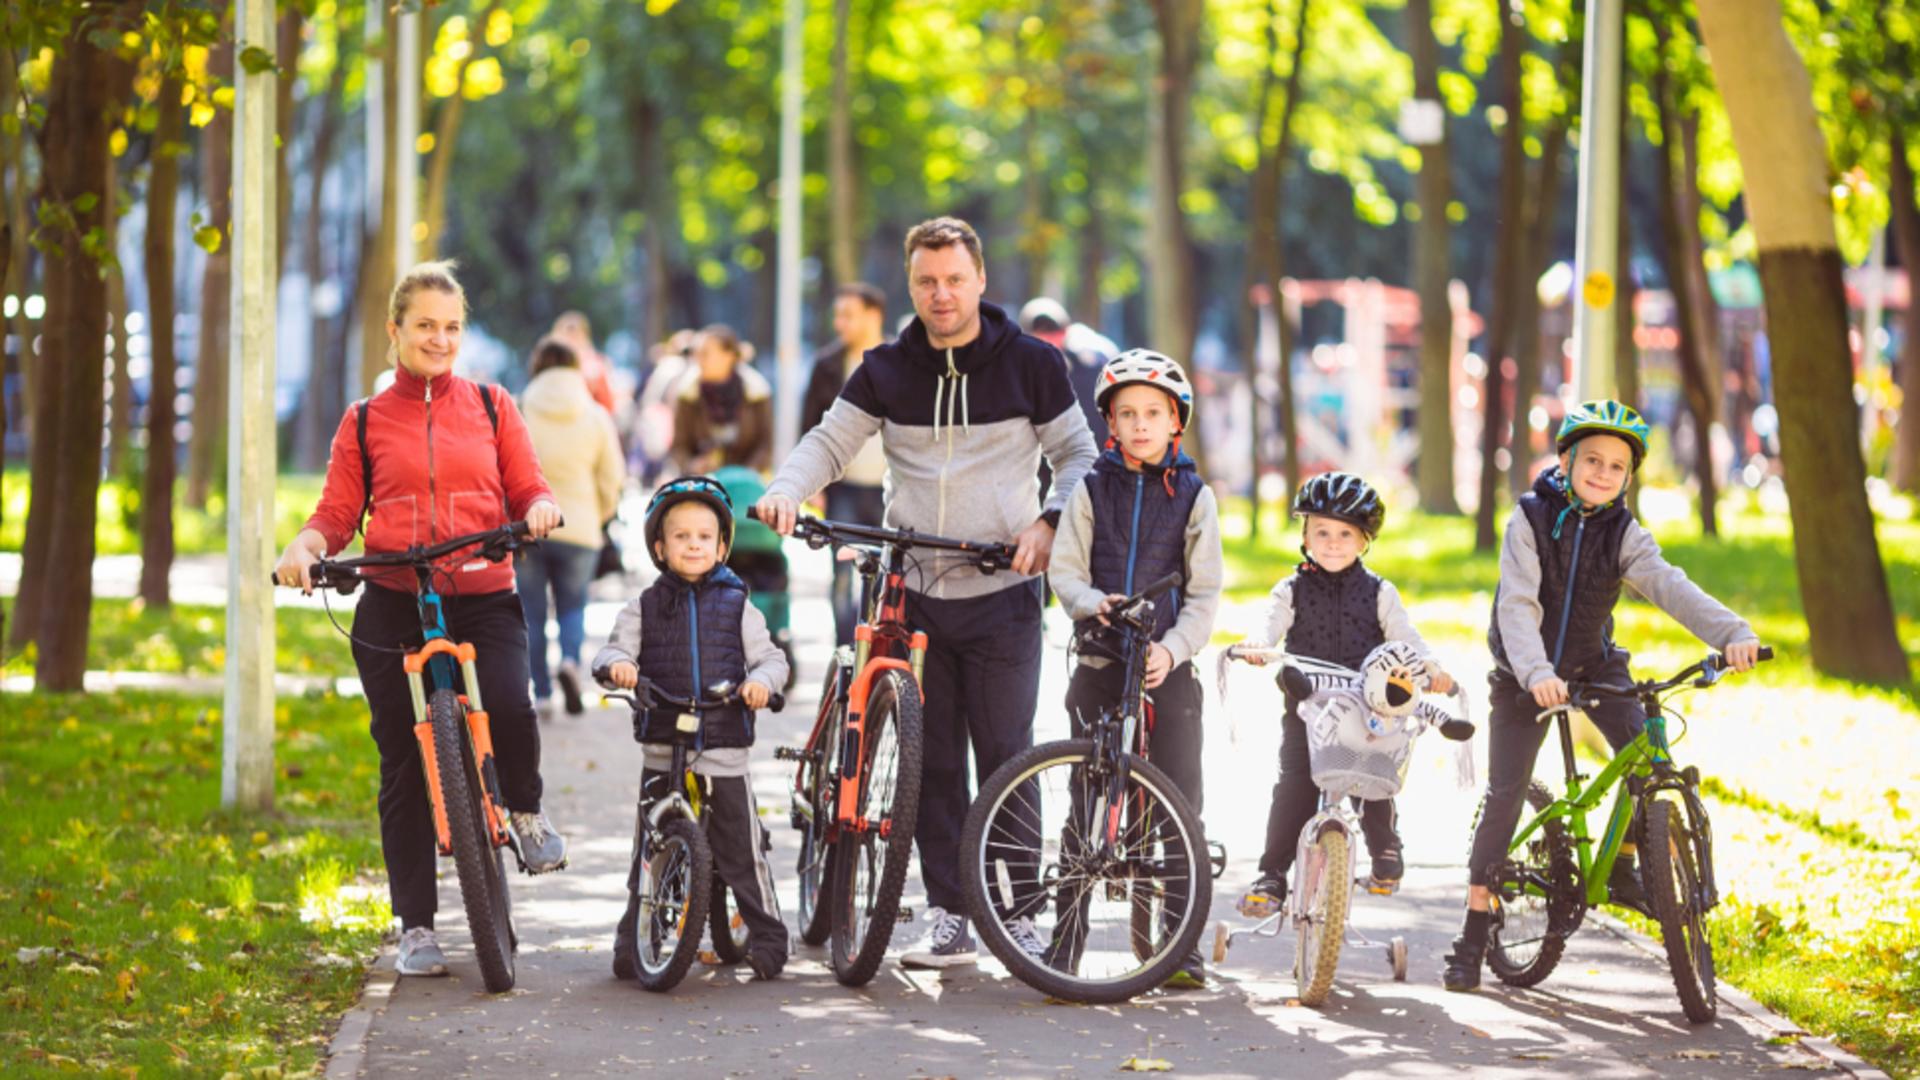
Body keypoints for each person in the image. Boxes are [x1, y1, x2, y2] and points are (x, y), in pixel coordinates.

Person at [754, 216, 1099, 969]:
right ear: (910, 287)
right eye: (926, 281)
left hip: (1004, 588)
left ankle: (1018, 912)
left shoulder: (1032, 364)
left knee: (1006, 756)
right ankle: (949, 915)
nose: (941, 294)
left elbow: (1078, 454)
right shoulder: (886, 368)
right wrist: (786, 490)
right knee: (933, 761)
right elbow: (830, 442)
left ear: (980, 281)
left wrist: (1049, 522)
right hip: (913, 591)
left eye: (954, 280)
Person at [274, 260, 570, 979]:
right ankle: (416, 927)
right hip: (393, 594)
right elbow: (337, 512)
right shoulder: (365, 419)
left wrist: (538, 508)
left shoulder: (494, 405)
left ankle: (525, 811)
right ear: (396, 329)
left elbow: (528, 485)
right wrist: (305, 546)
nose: (440, 339)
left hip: (482, 587)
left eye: (452, 327)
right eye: (425, 326)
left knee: (509, 701)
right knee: (402, 761)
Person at [1442, 401, 1761, 992]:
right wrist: (1535, 671)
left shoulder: (1624, 532)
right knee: (1507, 791)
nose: (1603, 473)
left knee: (1649, 757)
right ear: (1565, 461)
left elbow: (1670, 586)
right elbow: (1518, 605)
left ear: (1628, 477)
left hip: (1593, 666)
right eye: (1592, 460)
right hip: (1523, 673)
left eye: (1617, 466)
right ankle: (1474, 925)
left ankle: (1624, 864)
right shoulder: (1529, 519)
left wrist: (1732, 633)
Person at [1046, 349, 1223, 986]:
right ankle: (1065, 944)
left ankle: (1180, 946)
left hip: (1164, 664)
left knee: (1181, 800)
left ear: (1176, 422)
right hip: (1101, 656)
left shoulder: (1195, 497)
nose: (1140, 424)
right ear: (1110, 424)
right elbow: (1065, 570)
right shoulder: (1091, 489)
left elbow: (1204, 594)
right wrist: (1093, 603)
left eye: (1153, 413)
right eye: (1127, 414)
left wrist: (1173, 649)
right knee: (1085, 802)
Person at [1232, 472, 1458, 920]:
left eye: (1345, 534)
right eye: (1322, 532)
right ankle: (1272, 875)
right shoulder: (1291, 589)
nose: (1332, 544)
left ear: (1363, 541)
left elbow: (1407, 638)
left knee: (1374, 774)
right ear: (1305, 537)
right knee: (1294, 786)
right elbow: (1269, 623)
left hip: (1366, 709)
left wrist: (1431, 668)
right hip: (1308, 709)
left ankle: (1385, 850)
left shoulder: (1379, 592)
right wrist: (1258, 644)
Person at [593, 477, 791, 981]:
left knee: (742, 852)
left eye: (705, 536)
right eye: (681, 536)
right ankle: (637, 935)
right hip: (664, 747)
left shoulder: (738, 606)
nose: (694, 545)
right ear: (660, 547)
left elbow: (772, 660)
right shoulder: (643, 606)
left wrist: (761, 683)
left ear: (722, 546)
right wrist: (618, 666)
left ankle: (769, 935)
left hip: (723, 746)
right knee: (650, 850)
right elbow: (612, 650)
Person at [518, 335, 626, 719]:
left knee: (531, 614)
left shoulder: (519, 409)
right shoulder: (595, 414)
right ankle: (569, 661)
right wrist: (600, 515)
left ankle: (542, 692)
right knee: (573, 606)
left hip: (528, 526)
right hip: (580, 526)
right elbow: (612, 476)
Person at [802, 282, 891, 646]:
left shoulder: (897, 361)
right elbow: (810, 425)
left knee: (887, 576)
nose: (840, 323)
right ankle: (846, 652)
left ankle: (877, 646)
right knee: (841, 575)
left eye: (849, 315)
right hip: (843, 489)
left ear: (874, 315)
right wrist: (815, 484)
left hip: (890, 491)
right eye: (837, 315)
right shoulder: (827, 366)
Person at [670, 323, 773, 474]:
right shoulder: (687, 392)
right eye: (697, 354)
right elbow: (678, 446)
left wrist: (745, 474)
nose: (698, 360)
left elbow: (766, 444)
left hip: (748, 482)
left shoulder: (756, 391)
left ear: (729, 356)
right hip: (700, 482)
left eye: (705, 354)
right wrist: (692, 465)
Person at [1019, 296, 1112, 444]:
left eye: (1053, 331)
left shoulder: (1088, 371)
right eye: (1039, 332)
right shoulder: (1013, 376)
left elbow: (1097, 422)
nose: (1047, 339)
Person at [549, 310, 618, 415]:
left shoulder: (597, 364)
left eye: (575, 336)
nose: (571, 341)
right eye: (567, 336)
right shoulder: (549, 365)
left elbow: (608, 406)